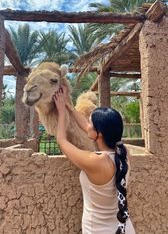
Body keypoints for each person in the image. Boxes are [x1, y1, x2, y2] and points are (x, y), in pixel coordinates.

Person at [53, 88, 136, 234]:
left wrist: (61, 112)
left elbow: (61, 140)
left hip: (98, 230)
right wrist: (69, 106)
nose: (87, 125)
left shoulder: (96, 162)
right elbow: (86, 126)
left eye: (91, 123)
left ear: (100, 133)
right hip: (124, 228)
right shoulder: (124, 153)